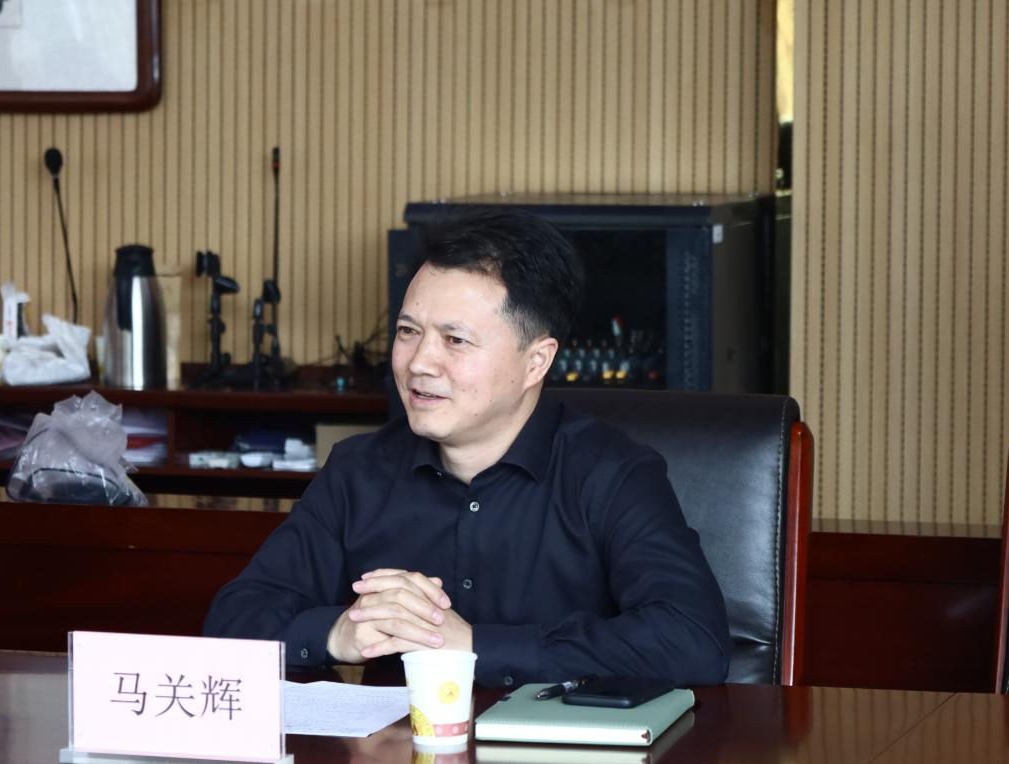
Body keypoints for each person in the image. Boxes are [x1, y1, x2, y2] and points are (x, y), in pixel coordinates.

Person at [203, 206, 730, 687]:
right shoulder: (358, 469)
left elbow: (691, 640)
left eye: (455, 340)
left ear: (536, 361)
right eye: (408, 331)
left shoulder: (612, 474)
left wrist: (474, 646)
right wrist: (336, 633)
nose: (419, 363)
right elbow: (233, 618)